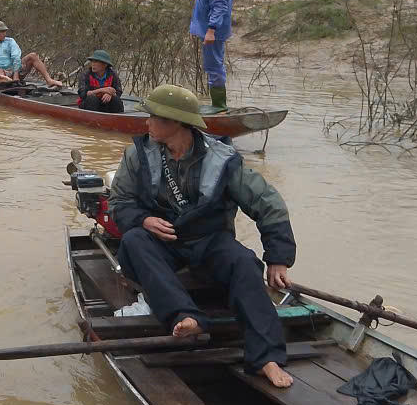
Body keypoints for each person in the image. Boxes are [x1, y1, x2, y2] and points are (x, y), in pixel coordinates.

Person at [107, 83, 297, 388]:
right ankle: (186, 316)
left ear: (176, 123)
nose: (147, 123)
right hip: (162, 242)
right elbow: (119, 203)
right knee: (133, 241)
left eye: (154, 117)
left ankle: (266, 358)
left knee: (245, 263)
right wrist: (143, 220)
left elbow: (267, 203)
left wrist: (278, 258)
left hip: (208, 241)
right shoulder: (138, 154)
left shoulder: (222, 159)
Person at [190, 0, 234, 109]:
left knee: (214, 66)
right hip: (208, 28)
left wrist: (211, 30)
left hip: (213, 30)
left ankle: (219, 109)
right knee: (211, 65)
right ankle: (218, 107)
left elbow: (219, 5)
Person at [0, 20, 62, 88]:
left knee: (33, 56)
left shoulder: (10, 41)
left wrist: (16, 75)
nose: (5, 34)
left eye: (5, 31)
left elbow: (16, 57)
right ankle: (4, 80)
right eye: (2, 32)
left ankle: (49, 80)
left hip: (13, 70)